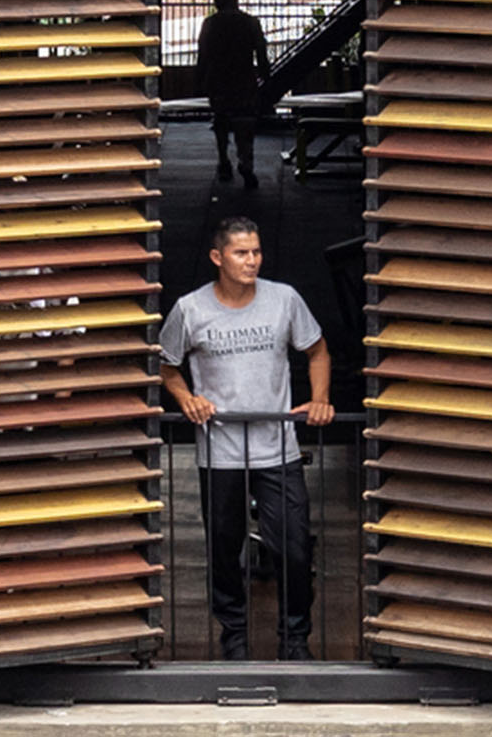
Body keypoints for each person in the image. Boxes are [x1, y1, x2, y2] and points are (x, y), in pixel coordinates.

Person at [159, 216, 335, 661]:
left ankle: (295, 639)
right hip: (220, 453)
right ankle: (233, 633)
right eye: (241, 253)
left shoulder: (284, 299)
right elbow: (166, 365)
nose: (252, 261)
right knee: (223, 552)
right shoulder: (190, 309)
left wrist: (320, 399)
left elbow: (317, 350)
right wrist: (186, 399)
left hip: (278, 449)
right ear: (217, 257)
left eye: (256, 252)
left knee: (294, 548)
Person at [196, 0, 269, 189]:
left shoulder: (210, 24)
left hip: (218, 82)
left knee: (221, 121)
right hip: (244, 81)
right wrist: (266, 78)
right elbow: (262, 55)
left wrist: (200, 81)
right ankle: (246, 163)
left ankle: (224, 161)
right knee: (245, 124)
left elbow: (203, 56)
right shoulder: (250, 23)